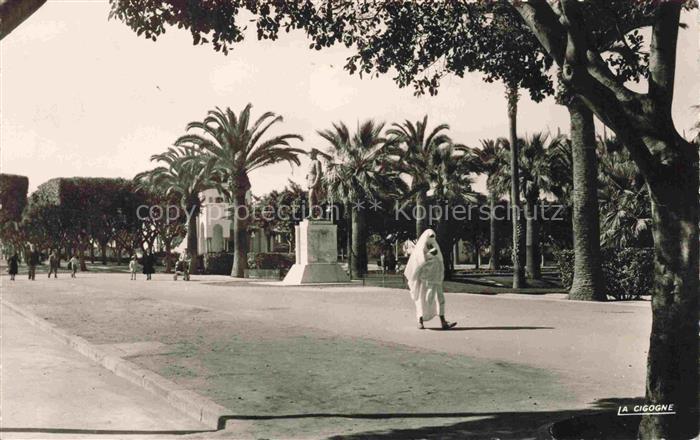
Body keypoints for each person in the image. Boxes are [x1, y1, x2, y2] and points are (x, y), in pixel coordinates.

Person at [404, 229, 456, 330]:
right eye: (430, 237)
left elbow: (440, 260)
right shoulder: (420, 249)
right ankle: (420, 321)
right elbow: (418, 263)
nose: (432, 239)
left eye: (433, 237)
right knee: (422, 300)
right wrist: (429, 255)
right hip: (425, 281)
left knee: (440, 299)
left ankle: (443, 322)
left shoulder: (435, 246)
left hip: (436, 279)